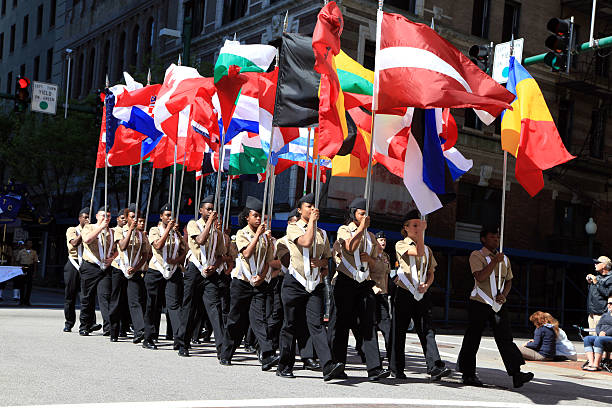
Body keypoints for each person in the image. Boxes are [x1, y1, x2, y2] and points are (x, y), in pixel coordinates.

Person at [276, 193, 344, 381]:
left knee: (317, 324)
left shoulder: (322, 233)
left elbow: (327, 259)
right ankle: (285, 365)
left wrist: (321, 262)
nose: (313, 209)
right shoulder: (293, 227)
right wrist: (312, 222)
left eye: (315, 206)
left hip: (314, 284)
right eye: (308, 206)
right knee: (290, 324)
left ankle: (327, 364)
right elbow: (305, 242)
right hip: (295, 282)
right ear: (300, 210)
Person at [457, 226, 533, 388]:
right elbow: (480, 276)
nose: (496, 240)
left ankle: (516, 373)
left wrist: (504, 294)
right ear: (483, 239)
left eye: (497, 237)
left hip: (497, 304)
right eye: (492, 237)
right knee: (473, 338)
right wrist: (493, 262)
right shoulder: (477, 255)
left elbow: (509, 280)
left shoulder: (504, 259)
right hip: (480, 302)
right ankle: (468, 374)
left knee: (505, 337)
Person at [331, 197, 389, 381]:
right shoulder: (345, 230)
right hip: (346, 281)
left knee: (368, 325)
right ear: (353, 214)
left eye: (366, 214)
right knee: (342, 323)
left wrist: (370, 260)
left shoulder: (371, 237)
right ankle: (337, 364)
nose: (365, 217)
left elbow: (378, 265)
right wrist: (361, 228)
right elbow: (349, 247)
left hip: (364, 283)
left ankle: (374, 368)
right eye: (361, 213)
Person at [219, 196, 278, 370]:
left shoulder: (266, 237)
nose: (259, 219)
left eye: (261, 216)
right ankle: (226, 352)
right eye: (255, 216)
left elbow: (269, 261)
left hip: (258, 282)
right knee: (236, 319)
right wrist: (258, 235)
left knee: (259, 319)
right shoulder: (241, 234)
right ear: (247, 217)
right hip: (242, 282)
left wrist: (262, 276)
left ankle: (267, 355)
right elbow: (246, 254)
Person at [391, 211, 450, 380]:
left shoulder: (428, 249)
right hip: (404, 291)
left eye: (420, 225)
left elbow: (431, 272)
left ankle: (434, 366)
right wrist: (422, 234)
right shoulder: (401, 244)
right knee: (399, 330)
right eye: (414, 225)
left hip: (422, 292)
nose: (418, 228)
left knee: (427, 329)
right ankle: (397, 367)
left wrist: (427, 284)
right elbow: (417, 253)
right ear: (406, 228)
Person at [178, 196, 226, 358]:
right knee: (189, 306)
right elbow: (200, 240)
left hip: (210, 272)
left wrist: (215, 265)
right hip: (195, 270)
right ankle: (183, 343)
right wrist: (209, 223)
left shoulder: (217, 232)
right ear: (201, 210)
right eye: (208, 209)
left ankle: (222, 349)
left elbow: (220, 255)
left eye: (213, 209)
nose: (211, 212)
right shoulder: (193, 224)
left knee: (215, 309)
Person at [142, 204, 186, 351]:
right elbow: (158, 245)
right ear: (161, 216)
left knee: (174, 305)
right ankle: (149, 337)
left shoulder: (175, 232)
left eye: (171, 215)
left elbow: (184, 250)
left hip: (172, 271)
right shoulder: (154, 230)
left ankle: (179, 339)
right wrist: (168, 230)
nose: (170, 218)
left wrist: (177, 260)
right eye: (167, 215)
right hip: (156, 271)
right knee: (152, 305)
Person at [79, 207, 116, 336]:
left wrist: (112, 258)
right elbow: (87, 240)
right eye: (103, 215)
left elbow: (118, 248)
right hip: (90, 266)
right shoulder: (89, 227)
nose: (106, 218)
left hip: (104, 268)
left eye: (109, 216)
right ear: (96, 216)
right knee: (87, 297)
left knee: (105, 296)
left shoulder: (112, 232)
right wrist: (101, 227)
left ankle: (108, 327)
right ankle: (85, 325)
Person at [118, 208, 151, 344]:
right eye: (132, 217)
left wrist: (136, 268)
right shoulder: (120, 230)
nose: (135, 220)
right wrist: (130, 230)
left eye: (137, 217)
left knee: (135, 301)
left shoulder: (141, 235)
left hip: (135, 271)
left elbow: (145, 255)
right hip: (120, 269)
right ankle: (115, 328)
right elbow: (122, 246)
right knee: (118, 301)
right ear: (127, 218)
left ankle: (140, 330)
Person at [63, 208, 89, 332]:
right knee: (70, 295)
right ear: (80, 218)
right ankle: (69, 322)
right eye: (85, 217)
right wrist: (84, 232)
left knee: (86, 296)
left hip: (86, 263)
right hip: (73, 263)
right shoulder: (73, 230)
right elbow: (74, 243)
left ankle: (86, 324)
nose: (87, 219)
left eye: (89, 217)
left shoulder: (91, 231)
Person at [582, 298, 612, 371]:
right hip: (602, 336)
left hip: (609, 337)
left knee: (599, 339)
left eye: (611, 303)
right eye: (608, 303)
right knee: (587, 339)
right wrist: (600, 332)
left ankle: (596, 365)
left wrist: (606, 333)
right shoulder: (605, 315)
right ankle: (591, 363)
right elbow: (598, 326)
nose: (609, 305)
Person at [586, 256, 612, 329]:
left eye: (597, 263)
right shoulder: (597, 277)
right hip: (591, 313)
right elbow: (594, 293)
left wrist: (596, 282)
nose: (595, 264)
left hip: (601, 314)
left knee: (599, 338)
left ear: (604, 265)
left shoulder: (610, 278)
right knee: (591, 337)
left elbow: (607, 293)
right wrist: (590, 283)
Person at [15, 239, 39, 306]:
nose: (30, 244)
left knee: (29, 285)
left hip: (30, 268)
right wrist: (19, 270)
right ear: (26, 244)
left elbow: (35, 262)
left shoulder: (34, 252)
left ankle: (27, 301)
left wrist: (35, 272)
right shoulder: (21, 252)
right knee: (22, 285)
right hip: (23, 268)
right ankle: (21, 300)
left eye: (31, 243)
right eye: (29, 243)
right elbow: (17, 261)